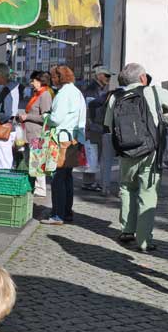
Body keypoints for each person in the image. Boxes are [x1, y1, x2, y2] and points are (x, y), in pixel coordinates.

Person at [104, 62, 168, 251]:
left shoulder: (114, 97)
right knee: (147, 194)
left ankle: (126, 230)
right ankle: (144, 240)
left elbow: (108, 125)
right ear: (142, 78)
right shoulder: (153, 92)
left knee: (126, 188)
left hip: (126, 152)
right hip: (150, 151)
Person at [40, 66, 86, 226]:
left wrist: (46, 116)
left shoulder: (64, 93)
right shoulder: (77, 92)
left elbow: (56, 118)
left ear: (59, 77)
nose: (52, 80)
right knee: (67, 178)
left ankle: (57, 214)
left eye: (53, 77)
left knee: (58, 178)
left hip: (61, 140)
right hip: (73, 139)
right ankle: (66, 212)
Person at [19, 71, 53, 197]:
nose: (32, 83)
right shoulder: (37, 94)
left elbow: (46, 117)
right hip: (30, 133)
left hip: (37, 134)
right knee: (30, 161)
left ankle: (40, 188)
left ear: (40, 81)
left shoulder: (45, 95)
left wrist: (27, 116)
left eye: (33, 80)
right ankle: (34, 185)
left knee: (37, 161)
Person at [82, 66, 114, 193]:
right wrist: (89, 127)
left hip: (97, 127)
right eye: (106, 76)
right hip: (93, 128)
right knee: (92, 154)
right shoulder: (92, 90)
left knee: (93, 154)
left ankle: (89, 181)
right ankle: (88, 182)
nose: (109, 78)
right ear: (99, 75)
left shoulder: (98, 89)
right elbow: (88, 110)